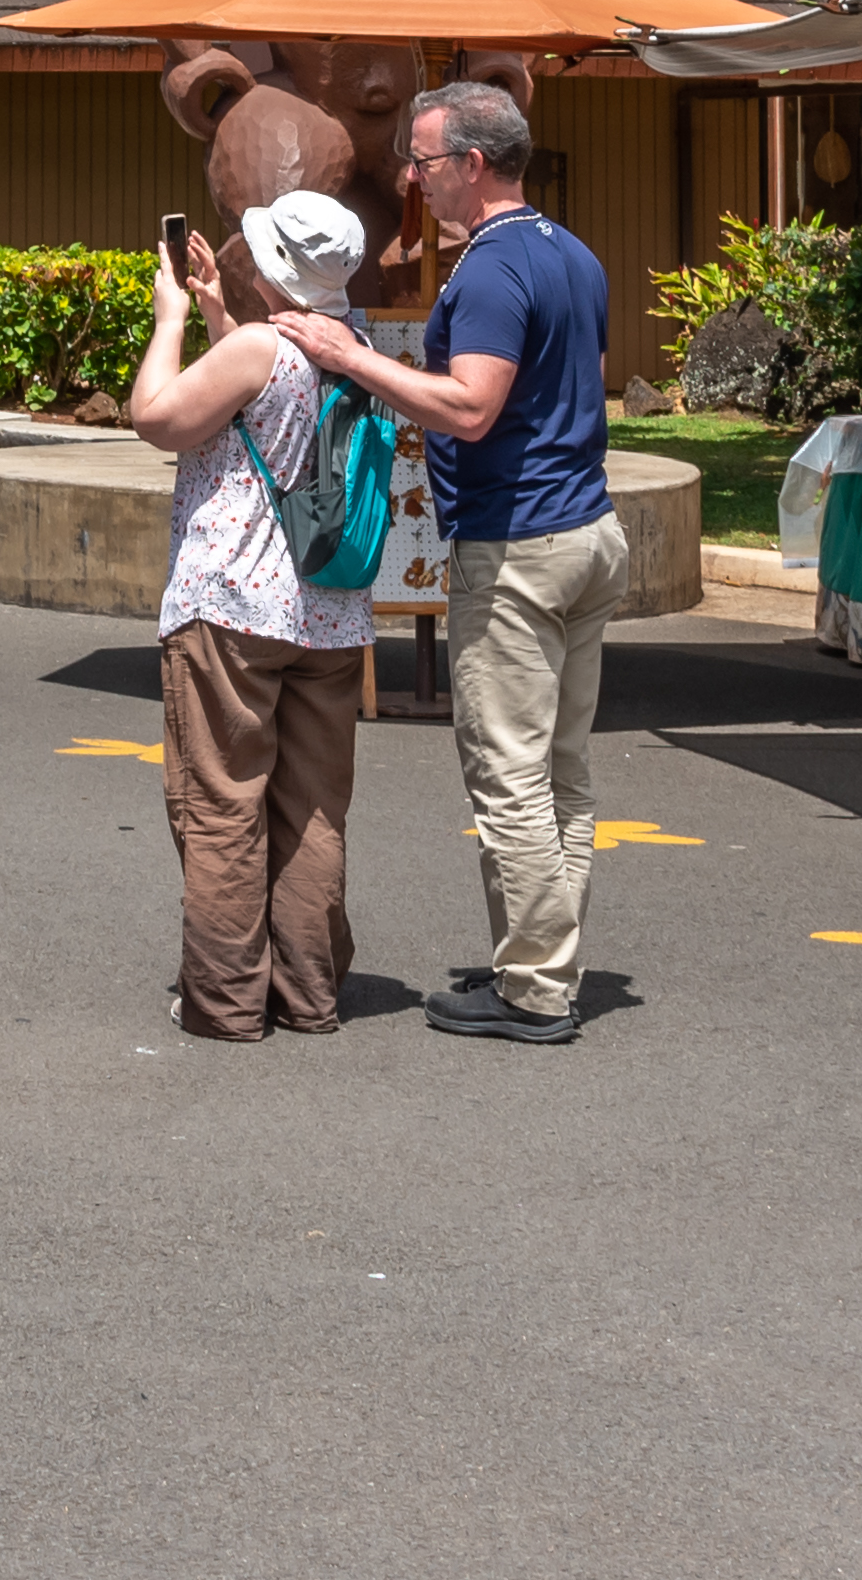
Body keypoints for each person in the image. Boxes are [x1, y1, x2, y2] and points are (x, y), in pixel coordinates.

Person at [286, 78, 625, 1046]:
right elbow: (575, 382)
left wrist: (346, 356)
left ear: (472, 163)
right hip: (585, 528)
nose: (412, 177)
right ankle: (543, 958)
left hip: (518, 539)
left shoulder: (487, 271)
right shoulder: (571, 251)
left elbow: (471, 405)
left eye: (425, 161)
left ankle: (533, 991)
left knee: (509, 771)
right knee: (561, 768)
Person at [128, 190, 378, 1040]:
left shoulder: (262, 349)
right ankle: (308, 992)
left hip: (233, 603)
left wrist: (170, 321)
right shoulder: (356, 346)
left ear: (275, 267)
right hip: (331, 613)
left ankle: (228, 999)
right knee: (311, 809)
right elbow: (269, 405)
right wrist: (217, 312)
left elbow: (157, 418)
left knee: (223, 800)